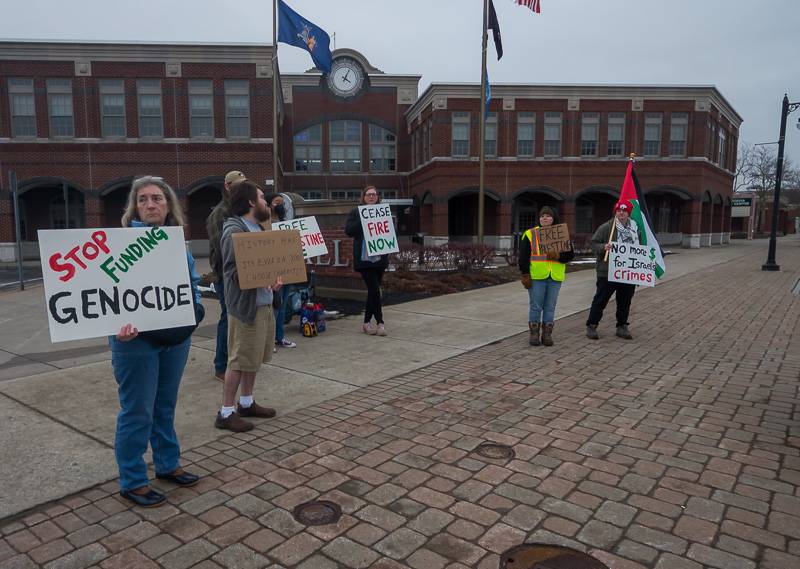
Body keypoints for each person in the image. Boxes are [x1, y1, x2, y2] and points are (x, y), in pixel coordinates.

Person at [110, 176, 204, 507]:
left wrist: (197, 307)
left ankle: (167, 464)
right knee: (137, 411)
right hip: (135, 341)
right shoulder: (117, 245)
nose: (151, 205)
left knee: (164, 406)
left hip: (176, 338)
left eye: (157, 199)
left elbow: (192, 284)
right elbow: (105, 294)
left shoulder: (177, 244)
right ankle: (133, 480)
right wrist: (115, 323)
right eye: (143, 200)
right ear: (134, 207)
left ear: (168, 205)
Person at [215, 181, 283, 432]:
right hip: (246, 307)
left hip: (263, 303)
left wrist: (273, 280)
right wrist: (259, 278)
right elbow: (231, 271)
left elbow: (264, 265)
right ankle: (225, 412)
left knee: (253, 359)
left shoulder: (258, 228)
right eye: (263, 197)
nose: (267, 202)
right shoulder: (234, 230)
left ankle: (246, 402)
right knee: (239, 360)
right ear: (252, 202)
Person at [206, 170, 247, 381]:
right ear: (228, 186)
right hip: (226, 277)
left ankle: (236, 361)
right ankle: (221, 366)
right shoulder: (220, 214)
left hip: (244, 275)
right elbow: (223, 249)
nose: (241, 188)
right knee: (226, 320)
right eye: (237, 185)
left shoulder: (241, 211)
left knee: (240, 320)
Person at [519, 206, 574, 346]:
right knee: (536, 306)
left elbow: (570, 256)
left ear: (553, 218)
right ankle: (534, 334)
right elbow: (523, 257)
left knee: (550, 307)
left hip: (555, 276)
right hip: (537, 276)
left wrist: (558, 256)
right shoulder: (530, 234)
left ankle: (547, 335)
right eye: (542, 216)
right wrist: (525, 274)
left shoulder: (561, 234)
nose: (545, 218)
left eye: (548, 216)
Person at [586, 200, 638, 340]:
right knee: (601, 299)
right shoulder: (606, 227)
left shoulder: (635, 228)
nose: (621, 213)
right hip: (607, 271)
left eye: (624, 211)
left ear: (629, 213)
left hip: (627, 272)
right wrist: (603, 247)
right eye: (619, 210)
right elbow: (593, 243)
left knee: (624, 301)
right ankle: (592, 325)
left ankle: (622, 326)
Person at [345, 186, 389, 336]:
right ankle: (380, 323)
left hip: (379, 258)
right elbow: (349, 231)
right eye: (368, 195)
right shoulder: (355, 212)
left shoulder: (382, 211)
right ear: (363, 197)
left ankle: (366, 323)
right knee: (375, 290)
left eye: (374, 194)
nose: (371, 197)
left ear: (378, 197)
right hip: (364, 259)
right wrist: (364, 219)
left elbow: (389, 231)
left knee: (373, 291)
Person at [266, 192, 297, 349]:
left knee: (283, 305)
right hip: (273, 270)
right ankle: (269, 339)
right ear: (269, 204)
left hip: (287, 268)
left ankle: (280, 337)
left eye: (282, 203)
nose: (280, 206)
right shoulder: (264, 223)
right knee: (275, 306)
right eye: (276, 203)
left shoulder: (285, 221)